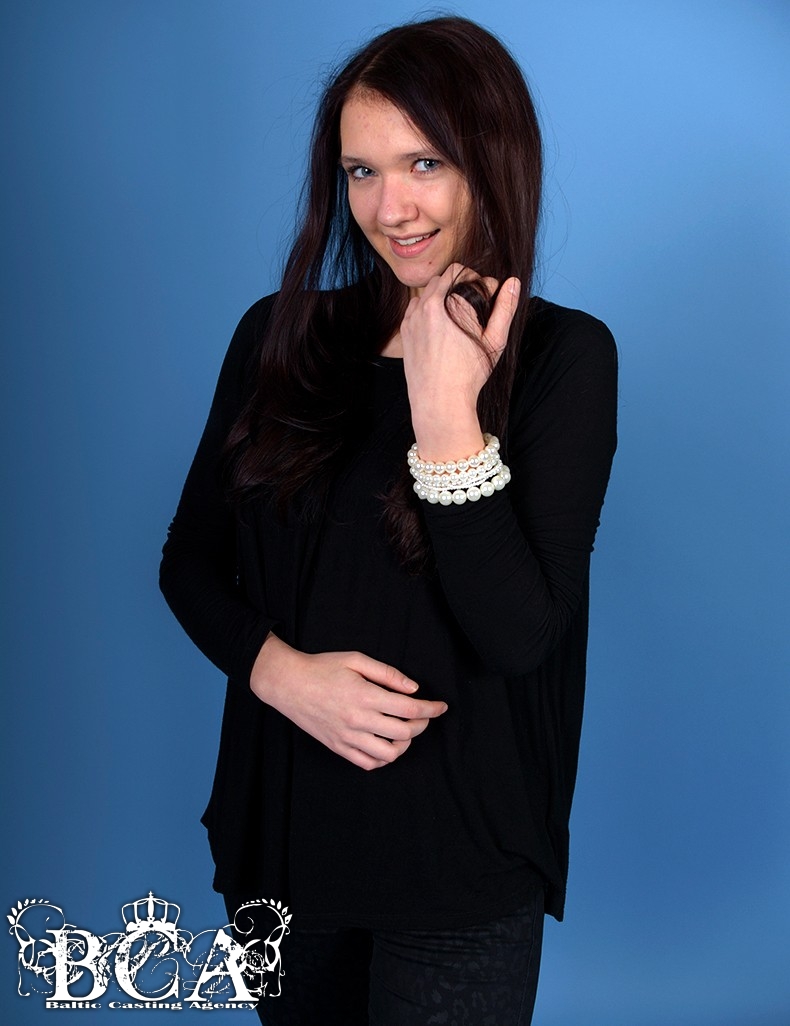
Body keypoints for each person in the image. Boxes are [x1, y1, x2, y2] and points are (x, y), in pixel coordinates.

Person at [160, 15, 617, 1025]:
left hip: (461, 864)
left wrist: (446, 419)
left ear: (491, 159)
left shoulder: (566, 359)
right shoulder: (279, 337)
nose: (389, 207)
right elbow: (188, 562)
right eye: (361, 172)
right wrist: (282, 675)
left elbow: (519, 634)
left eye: (423, 163)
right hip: (284, 848)